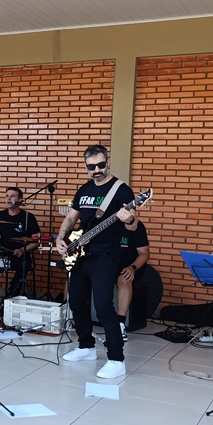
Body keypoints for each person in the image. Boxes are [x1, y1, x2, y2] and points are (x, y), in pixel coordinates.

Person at [55, 145, 138, 378]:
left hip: (106, 256)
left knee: (103, 306)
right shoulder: (84, 189)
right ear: (86, 167)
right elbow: (71, 218)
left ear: (107, 162)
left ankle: (117, 359)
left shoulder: (121, 190)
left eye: (101, 165)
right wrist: (60, 238)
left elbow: (133, 225)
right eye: (91, 167)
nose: (97, 170)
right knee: (76, 302)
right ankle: (86, 346)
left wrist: (128, 218)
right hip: (81, 253)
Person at [0, 187, 40, 299]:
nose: (8, 198)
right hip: (3, 253)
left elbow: (36, 242)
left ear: (20, 200)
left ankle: (10, 297)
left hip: (20, 255)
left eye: (12, 196)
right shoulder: (0, 215)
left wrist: (22, 250)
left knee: (23, 267)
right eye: (7, 196)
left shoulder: (28, 217)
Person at [116, 218, 150, 342]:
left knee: (125, 278)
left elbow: (144, 254)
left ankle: (120, 324)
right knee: (75, 272)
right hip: (107, 264)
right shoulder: (103, 223)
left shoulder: (137, 226)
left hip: (130, 265)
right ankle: (66, 315)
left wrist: (132, 268)